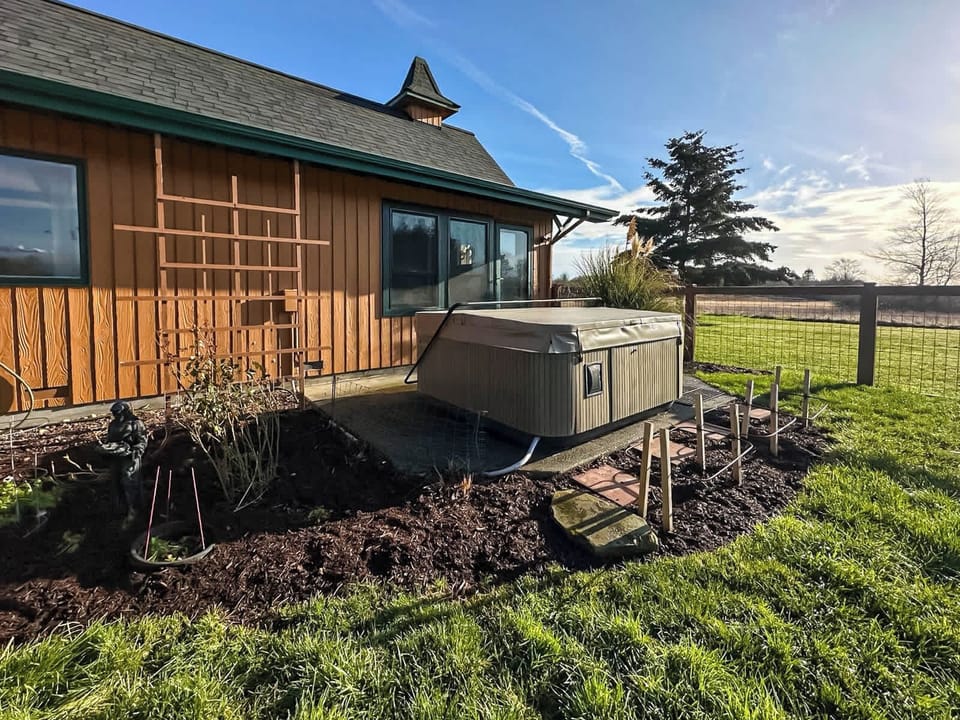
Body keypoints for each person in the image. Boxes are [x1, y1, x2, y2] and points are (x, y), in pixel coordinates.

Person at [100, 401, 148, 520]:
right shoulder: (113, 424)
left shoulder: (135, 423)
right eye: (114, 413)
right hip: (115, 457)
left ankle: (134, 509)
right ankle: (120, 509)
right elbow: (109, 440)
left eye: (117, 413)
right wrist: (106, 448)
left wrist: (136, 450)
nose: (115, 416)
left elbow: (142, 440)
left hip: (130, 457)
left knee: (130, 481)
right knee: (116, 482)